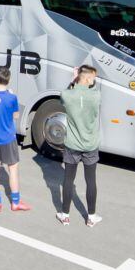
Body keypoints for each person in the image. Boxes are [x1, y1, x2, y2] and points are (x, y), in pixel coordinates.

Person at [57, 65, 102, 227]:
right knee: (91, 181)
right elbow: (93, 88)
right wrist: (83, 80)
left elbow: (64, 96)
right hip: (90, 145)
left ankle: (65, 215)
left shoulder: (67, 95)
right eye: (93, 77)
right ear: (89, 79)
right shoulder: (96, 96)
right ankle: (91, 217)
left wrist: (73, 80)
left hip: (72, 144)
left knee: (68, 179)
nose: (94, 80)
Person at [0, 67, 31, 212]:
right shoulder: (12, 98)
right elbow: (16, 116)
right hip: (8, 138)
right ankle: (15, 202)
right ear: (8, 80)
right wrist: (11, 95)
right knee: (13, 170)